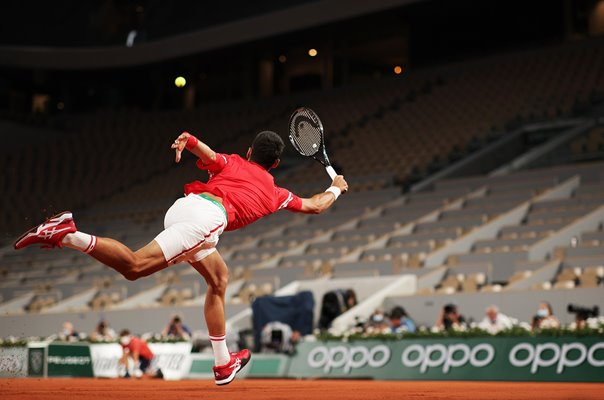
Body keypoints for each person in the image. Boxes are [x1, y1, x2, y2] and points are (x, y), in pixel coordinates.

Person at [14, 130, 348, 386]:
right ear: (275, 164)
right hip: (206, 221)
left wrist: (187, 140)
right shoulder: (276, 193)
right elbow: (315, 205)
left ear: (249, 152)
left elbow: (205, 151)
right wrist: (335, 187)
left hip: (184, 207)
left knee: (218, 278)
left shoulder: (233, 160)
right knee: (133, 267)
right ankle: (69, 233)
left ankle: (223, 364)